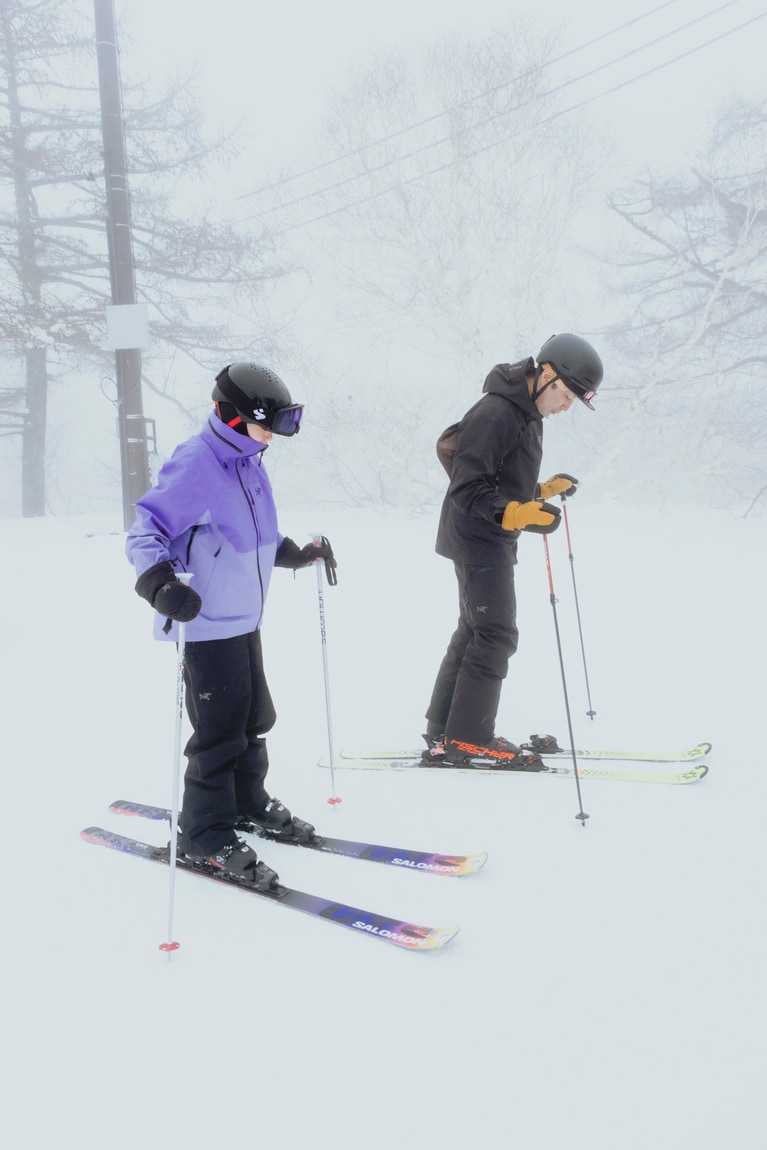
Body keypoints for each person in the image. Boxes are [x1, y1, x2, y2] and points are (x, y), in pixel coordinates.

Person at [126, 361, 336, 889]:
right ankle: (203, 834)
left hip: (243, 617)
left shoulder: (249, 462)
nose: (273, 437)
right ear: (234, 417)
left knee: (252, 717)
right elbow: (145, 530)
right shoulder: (197, 462)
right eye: (268, 425)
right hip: (204, 621)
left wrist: (295, 554)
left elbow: (253, 533)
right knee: (219, 733)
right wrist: (160, 585)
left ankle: (245, 801)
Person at [421, 333, 603, 768]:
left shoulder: (526, 413)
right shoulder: (496, 412)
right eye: (566, 395)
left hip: (484, 536)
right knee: (496, 633)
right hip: (478, 539)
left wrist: (541, 491)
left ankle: (445, 728)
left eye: (573, 400)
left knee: (474, 630)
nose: (566, 407)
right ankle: (469, 737)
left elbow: (502, 479)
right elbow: (468, 486)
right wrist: (516, 514)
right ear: (547, 374)